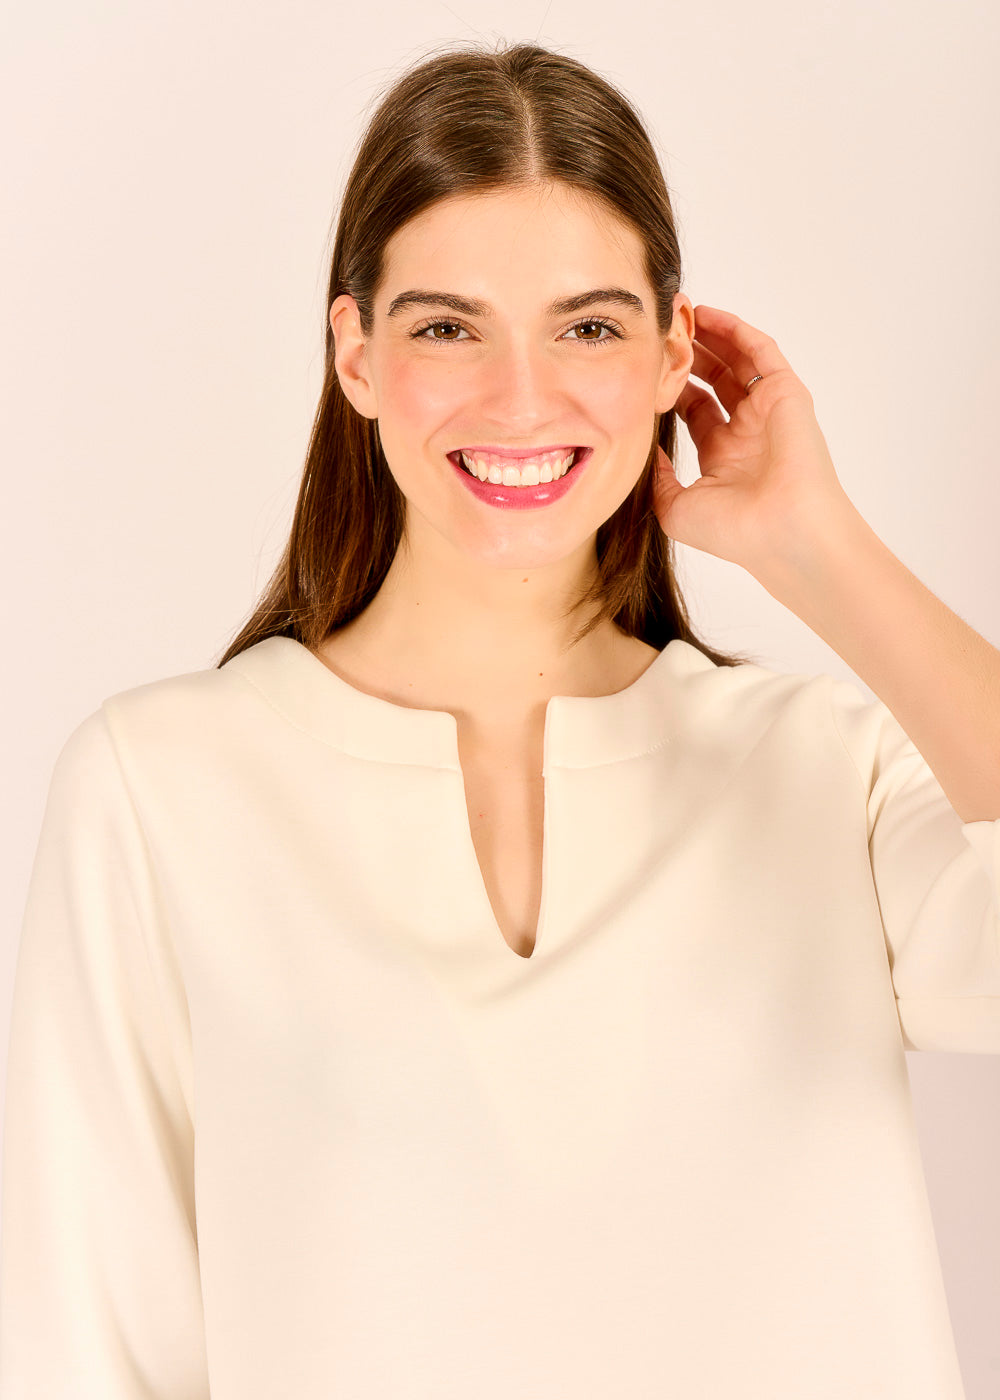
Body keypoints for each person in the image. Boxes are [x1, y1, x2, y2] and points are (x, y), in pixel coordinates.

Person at [1, 37, 998, 1400]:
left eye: (588, 327)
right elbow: (83, 1343)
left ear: (673, 352)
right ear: (354, 353)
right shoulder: (159, 788)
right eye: (446, 327)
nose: (522, 399)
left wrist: (821, 549)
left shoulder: (826, 771)